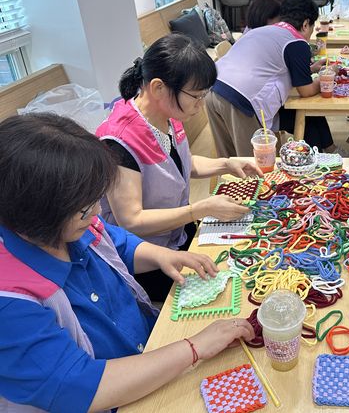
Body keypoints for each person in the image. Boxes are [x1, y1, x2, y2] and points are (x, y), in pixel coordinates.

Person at [0, 113, 255, 412]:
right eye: (84, 208)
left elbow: (115, 242)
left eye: (95, 199)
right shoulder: (11, 301)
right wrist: (194, 347)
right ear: (37, 212)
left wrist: (163, 255)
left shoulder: (67, 226)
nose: (97, 212)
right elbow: (79, 386)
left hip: (150, 351)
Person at [97, 34, 261, 301]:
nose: (201, 105)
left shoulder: (167, 113)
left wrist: (227, 164)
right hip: (149, 260)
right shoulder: (119, 141)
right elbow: (132, 220)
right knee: (232, 290)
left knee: (247, 254)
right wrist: (200, 209)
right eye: (196, 96)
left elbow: (181, 163)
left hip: (177, 235)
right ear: (158, 87)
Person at [206, 0, 334, 156]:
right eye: (312, 28)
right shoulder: (297, 42)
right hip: (240, 100)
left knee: (228, 158)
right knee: (253, 163)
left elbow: (270, 66)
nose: (310, 36)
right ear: (305, 24)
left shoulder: (262, 31)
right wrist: (328, 77)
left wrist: (311, 69)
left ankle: (327, 153)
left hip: (213, 89)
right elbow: (306, 91)